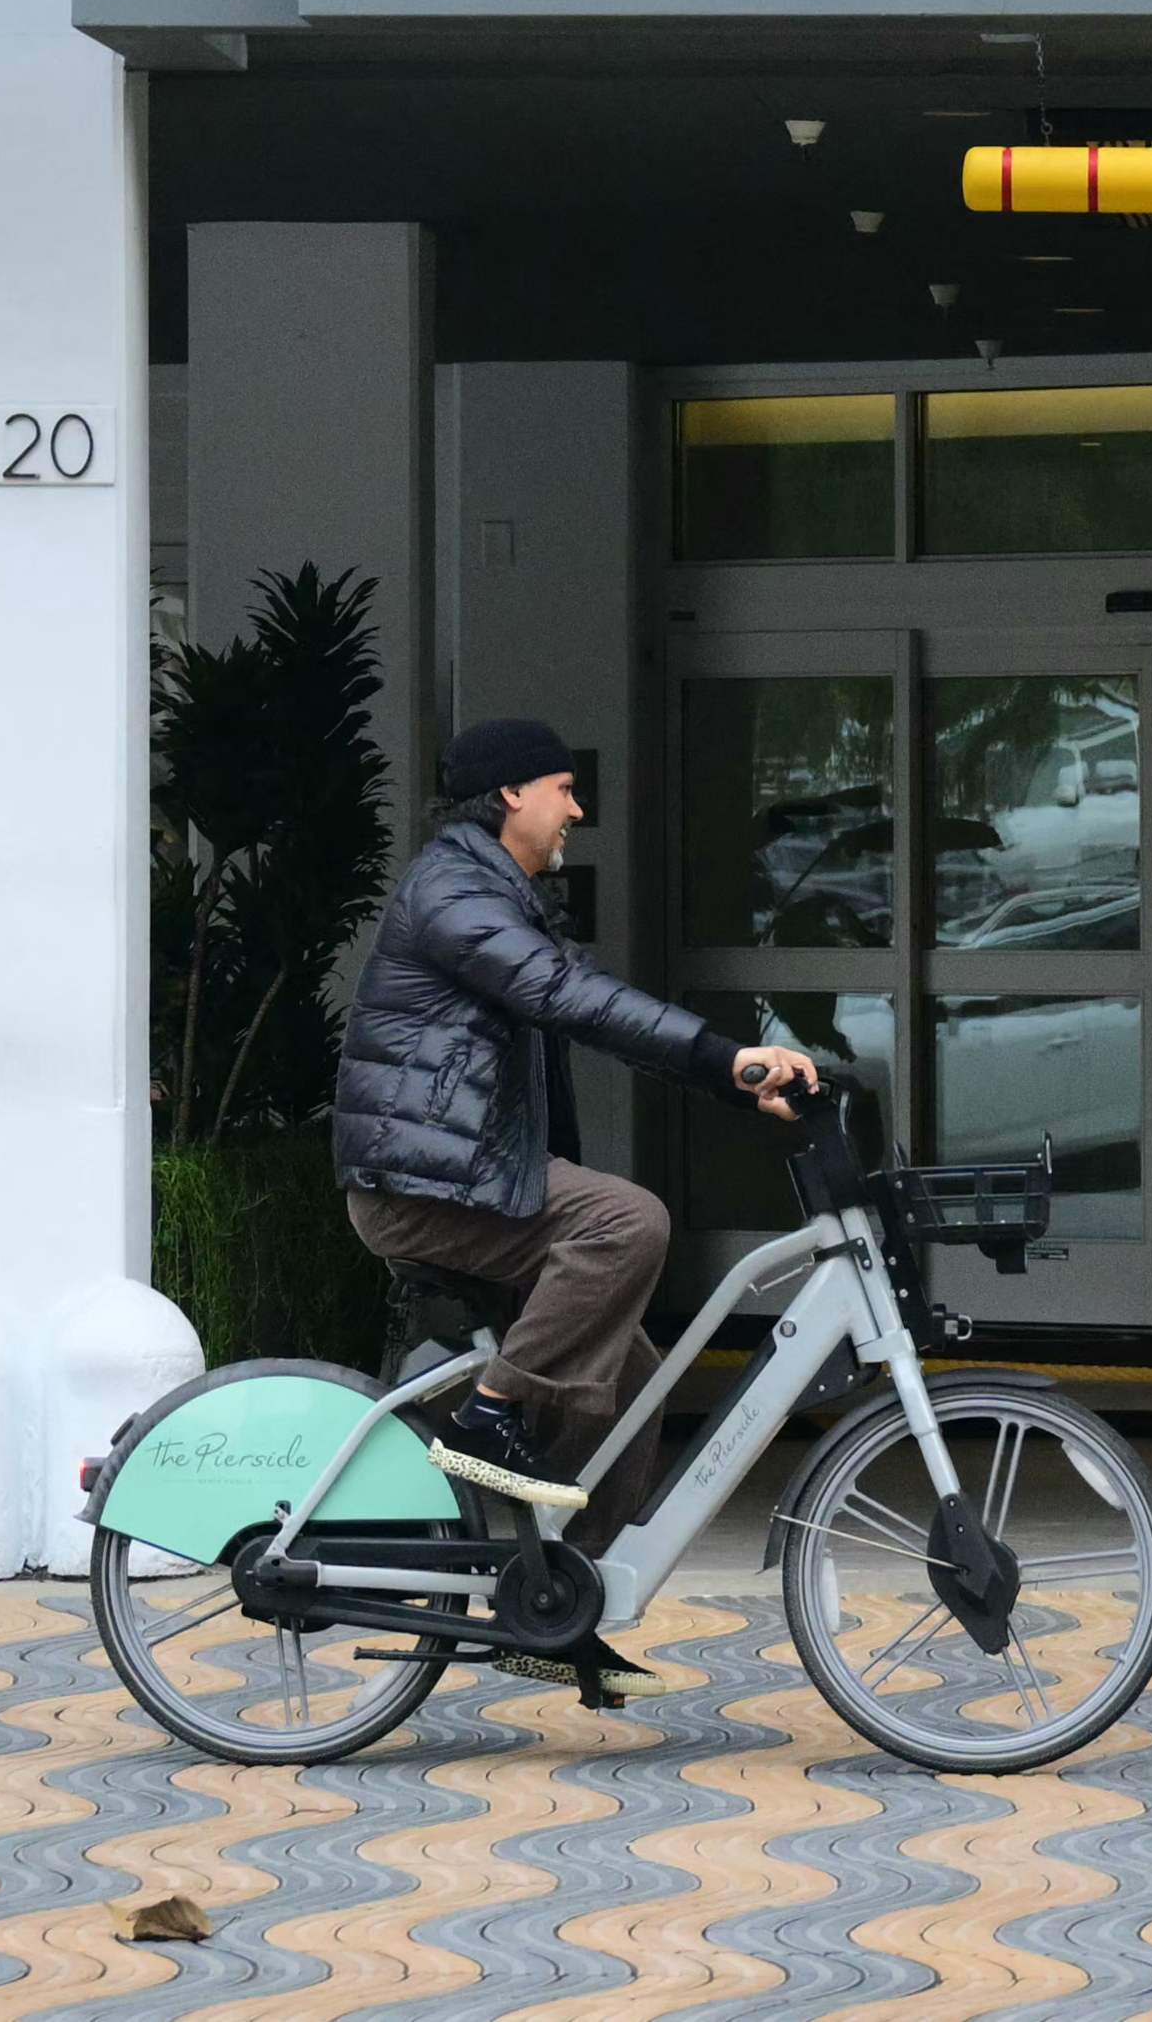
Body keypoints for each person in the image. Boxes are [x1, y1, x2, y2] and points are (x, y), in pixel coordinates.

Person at [340, 715, 823, 1683]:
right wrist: (727, 1055)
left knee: (633, 1378)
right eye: (564, 788)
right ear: (511, 793)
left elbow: (589, 1006)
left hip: (470, 1178)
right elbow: (571, 998)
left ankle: (556, 1600)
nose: (578, 809)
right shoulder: (452, 891)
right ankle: (487, 1416)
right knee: (626, 1219)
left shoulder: (493, 890)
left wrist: (731, 1079)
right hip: (421, 1186)